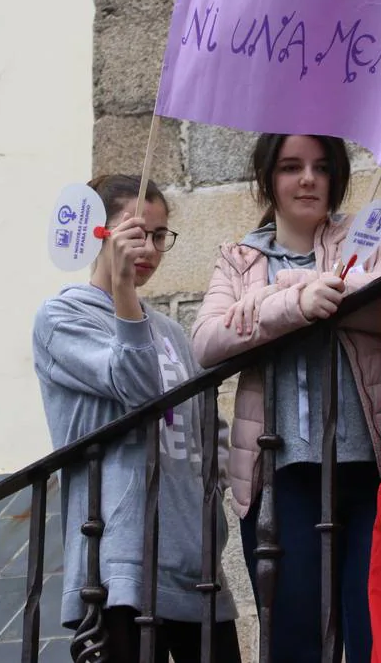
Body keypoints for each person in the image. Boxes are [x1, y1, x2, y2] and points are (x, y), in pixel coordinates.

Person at [191, 134, 381, 663]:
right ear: (269, 178)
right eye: (291, 167)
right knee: (295, 640)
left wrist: (288, 289)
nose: (308, 179)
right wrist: (294, 303)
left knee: (377, 637)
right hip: (280, 478)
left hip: (372, 469)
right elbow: (207, 341)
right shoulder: (238, 259)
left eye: (320, 166)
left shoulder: (374, 233)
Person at [33, 175, 241, 663]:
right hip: (120, 561)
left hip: (193, 559)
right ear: (98, 234)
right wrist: (123, 290)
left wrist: (212, 508)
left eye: (159, 235)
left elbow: (210, 430)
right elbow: (139, 389)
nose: (148, 247)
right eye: (135, 232)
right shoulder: (63, 317)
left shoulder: (170, 331)